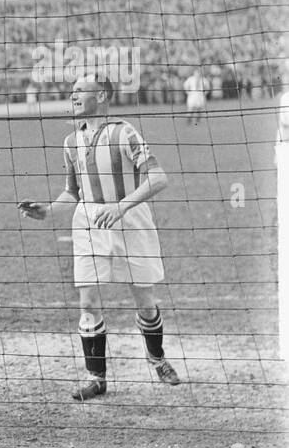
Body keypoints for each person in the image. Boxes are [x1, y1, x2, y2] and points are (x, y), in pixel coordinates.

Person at [18, 75, 182, 401]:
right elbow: (72, 193)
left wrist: (121, 207)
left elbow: (159, 178)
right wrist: (48, 210)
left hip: (130, 219)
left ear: (103, 95)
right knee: (88, 302)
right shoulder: (70, 142)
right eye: (73, 90)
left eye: (81, 90)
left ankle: (157, 359)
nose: (73, 94)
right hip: (89, 222)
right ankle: (96, 378)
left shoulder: (124, 132)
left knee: (145, 303)